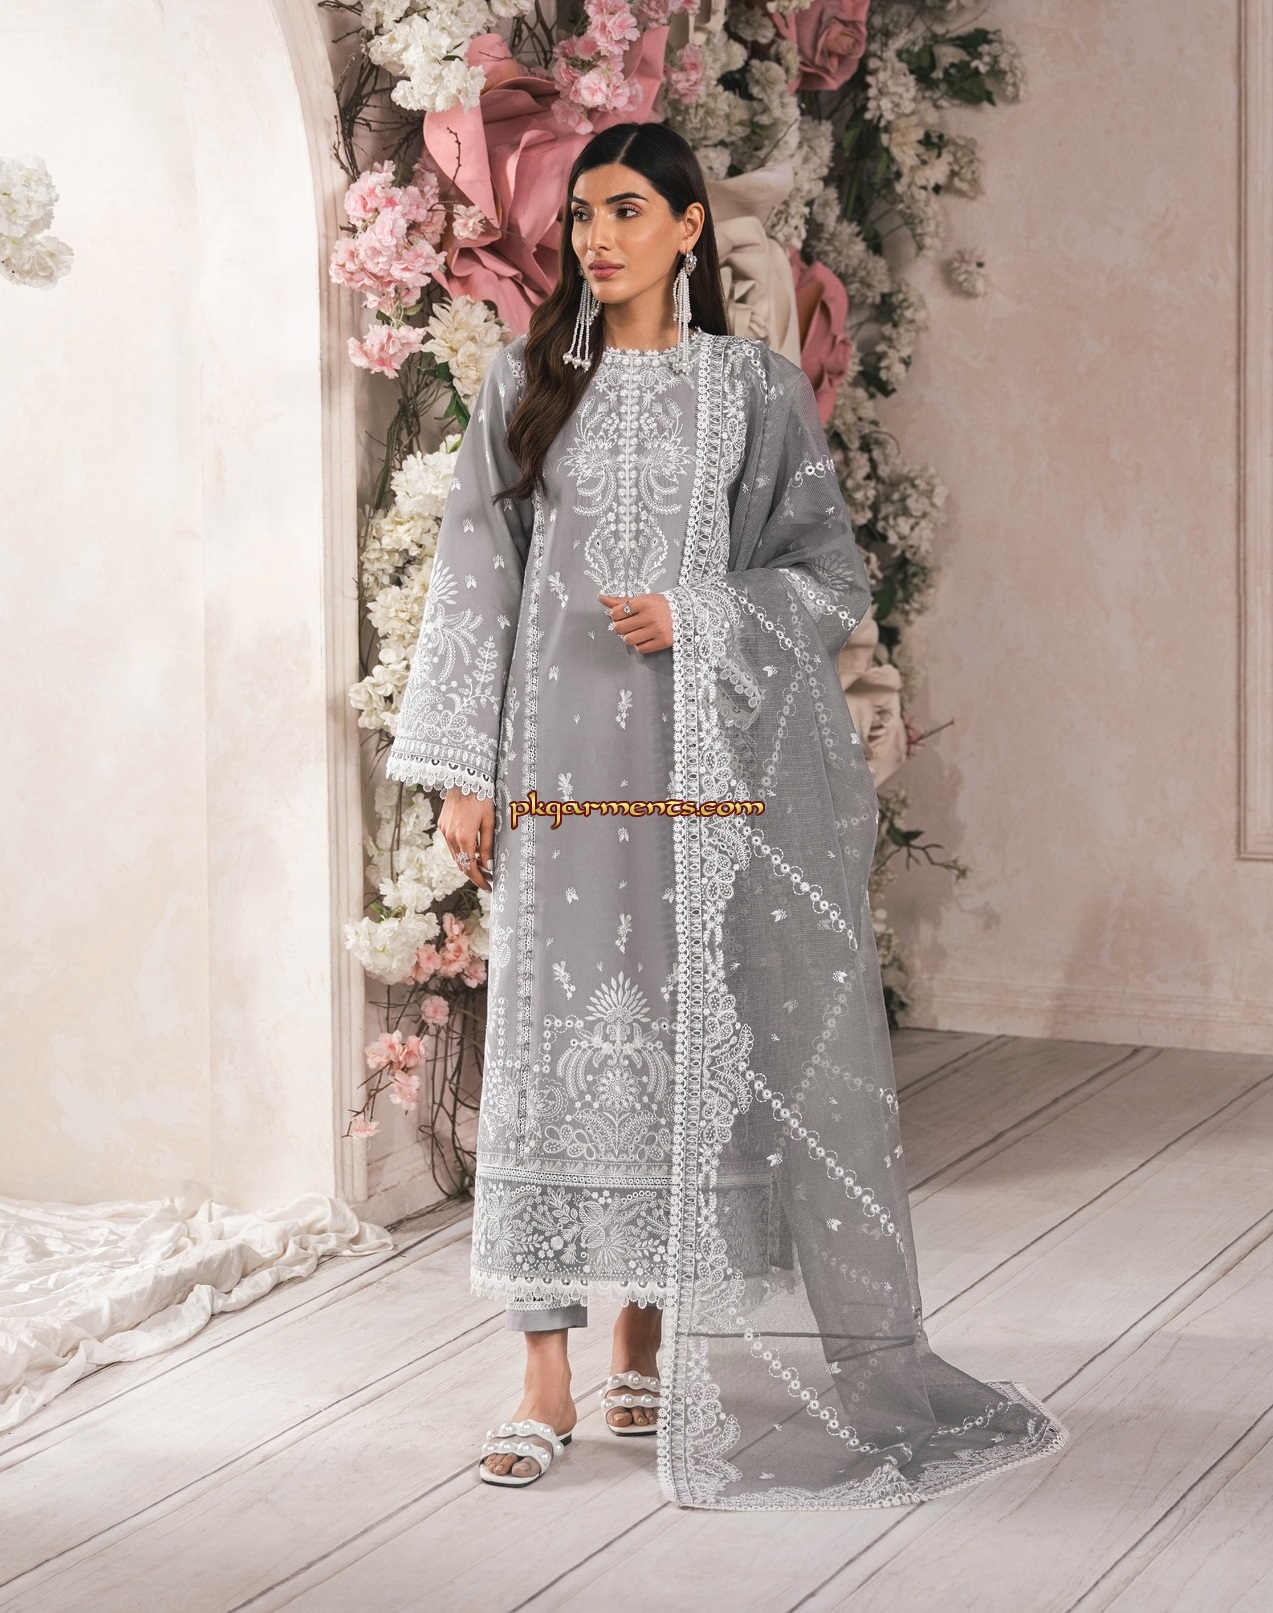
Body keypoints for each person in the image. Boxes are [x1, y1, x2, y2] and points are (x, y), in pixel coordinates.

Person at [386, 121, 1068, 1506]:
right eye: (582, 215)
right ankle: (542, 1375)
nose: (597, 238)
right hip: (557, 769)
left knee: (680, 1027)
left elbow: (826, 579)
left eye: (627, 211)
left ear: (689, 228)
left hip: (699, 779)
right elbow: (474, 580)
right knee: (547, 1043)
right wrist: (466, 772)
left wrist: (699, 612)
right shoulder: (525, 381)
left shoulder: (751, 391)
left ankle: (644, 1342)